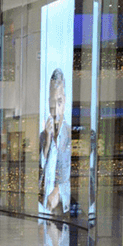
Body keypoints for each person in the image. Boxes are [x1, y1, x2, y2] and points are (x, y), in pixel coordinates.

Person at [38, 68, 71, 216]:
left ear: (65, 101)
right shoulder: (43, 135)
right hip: (43, 207)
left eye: (59, 102)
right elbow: (39, 170)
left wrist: (58, 191)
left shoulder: (69, 134)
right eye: (52, 102)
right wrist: (47, 141)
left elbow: (75, 177)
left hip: (61, 211)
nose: (55, 110)